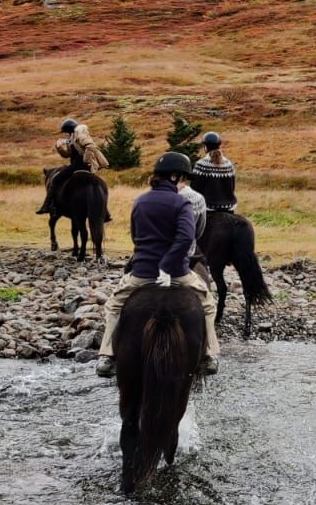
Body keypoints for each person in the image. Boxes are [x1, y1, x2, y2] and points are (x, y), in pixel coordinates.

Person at [95, 152, 220, 378]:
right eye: (183, 178)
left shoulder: (140, 201)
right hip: (177, 273)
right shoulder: (182, 203)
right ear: (174, 177)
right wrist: (166, 267)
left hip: (142, 272)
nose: (184, 183)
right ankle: (209, 355)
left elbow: (135, 236)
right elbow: (185, 238)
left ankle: (107, 356)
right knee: (208, 303)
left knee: (114, 305)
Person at [36, 117, 109, 215]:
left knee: (55, 179)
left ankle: (47, 205)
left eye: (67, 132)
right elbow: (67, 155)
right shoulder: (72, 138)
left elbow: (90, 145)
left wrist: (86, 160)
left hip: (79, 165)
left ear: (70, 129)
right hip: (78, 165)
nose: (66, 134)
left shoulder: (81, 135)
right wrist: (59, 148)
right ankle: (105, 212)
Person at [192, 132, 237, 212]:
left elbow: (195, 189)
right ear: (219, 146)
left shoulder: (201, 164)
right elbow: (232, 188)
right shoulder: (229, 164)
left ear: (205, 147)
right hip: (229, 208)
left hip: (208, 208)